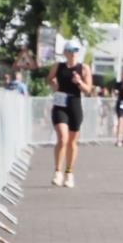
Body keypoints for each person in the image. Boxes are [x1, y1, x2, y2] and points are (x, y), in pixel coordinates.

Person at [48, 42, 92, 188]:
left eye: (76, 50)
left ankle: (69, 173)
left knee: (72, 142)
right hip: (60, 105)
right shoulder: (58, 66)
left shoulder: (84, 68)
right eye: (70, 50)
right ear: (65, 52)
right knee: (62, 138)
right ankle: (57, 172)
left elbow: (87, 90)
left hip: (75, 105)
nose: (73, 53)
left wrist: (79, 82)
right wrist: (54, 85)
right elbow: (49, 79)